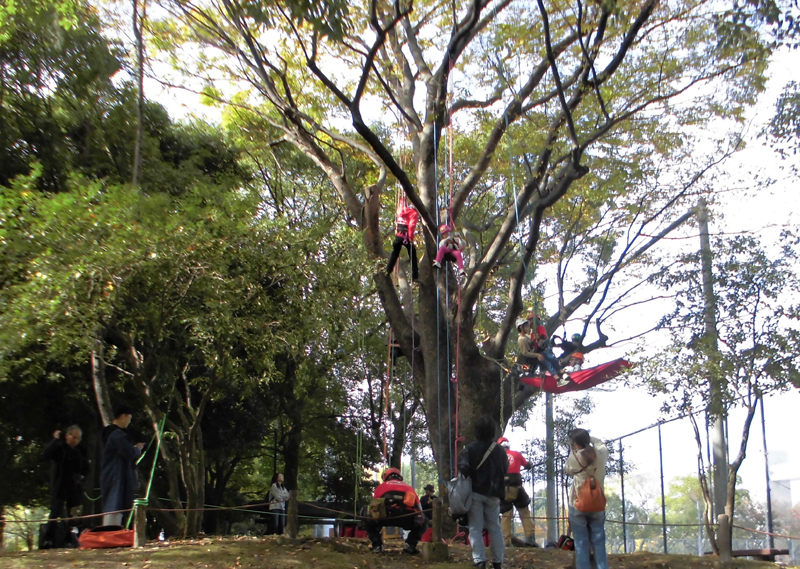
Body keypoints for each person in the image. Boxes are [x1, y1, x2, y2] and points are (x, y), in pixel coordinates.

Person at [458, 415, 508, 569]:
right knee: (495, 527)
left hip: (475, 492)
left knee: (475, 528)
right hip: (494, 493)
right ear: (493, 432)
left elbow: (464, 469)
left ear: (476, 432)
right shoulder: (500, 450)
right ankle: (498, 561)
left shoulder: (471, 449)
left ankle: (480, 560)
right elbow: (505, 468)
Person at [565, 428, 609, 569]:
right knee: (599, 541)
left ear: (575, 443)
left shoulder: (575, 457)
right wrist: (588, 439)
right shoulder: (601, 454)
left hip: (578, 505)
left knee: (581, 543)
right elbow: (601, 443)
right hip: (597, 504)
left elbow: (568, 470)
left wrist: (574, 450)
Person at [42, 426, 89, 548]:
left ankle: (70, 538)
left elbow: (86, 468)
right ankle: (48, 539)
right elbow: (46, 454)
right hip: (59, 484)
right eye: (73, 437)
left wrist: (82, 477)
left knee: (73, 513)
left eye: (78, 438)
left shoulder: (81, 450)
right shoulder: (59, 447)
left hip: (74, 486)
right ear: (67, 436)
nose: (76, 441)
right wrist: (55, 440)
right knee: (56, 510)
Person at [364, 467, 427, 555]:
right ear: (400, 477)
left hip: (385, 516)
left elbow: (374, 507)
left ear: (386, 477)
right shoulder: (409, 487)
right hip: (406, 517)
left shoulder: (380, 487)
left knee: (364, 514)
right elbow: (420, 509)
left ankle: (377, 545)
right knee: (425, 520)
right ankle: (410, 545)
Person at [100, 405, 143, 526]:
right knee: (115, 504)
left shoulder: (110, 434)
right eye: (129, 418)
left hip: (113, 474)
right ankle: (111, 533)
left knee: (115, 505)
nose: (129, 421)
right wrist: (137, 449)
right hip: (116, 475)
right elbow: (128, 452)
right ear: (123, 416)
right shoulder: (116, 435)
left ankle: (114, 531)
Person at [497, 437, 536, 548]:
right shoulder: (517, 454)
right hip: (517, 488)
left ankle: (506, 541)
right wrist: (530, 464)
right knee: (524, 512)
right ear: (508, 445)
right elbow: (527, 465)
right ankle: (530, 538)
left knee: (506, 514)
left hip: (504, 489)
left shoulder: (496, 457)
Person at [386, 202, 419, 281]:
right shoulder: (413, 213)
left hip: (399, 235)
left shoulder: (400, 210)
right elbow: (411, 226)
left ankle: (388, 270)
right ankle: (415, 276)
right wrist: (410, 237)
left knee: (395, 253)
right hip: (406, 236)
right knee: (413, 254)